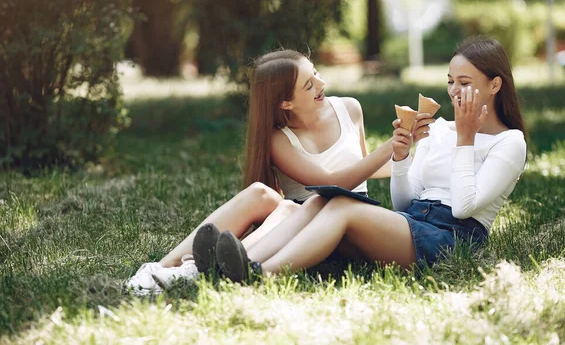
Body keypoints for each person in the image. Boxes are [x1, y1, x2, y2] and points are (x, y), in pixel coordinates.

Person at [211, 36, 528, 281]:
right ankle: (240, 261)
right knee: (320, 202)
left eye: (465, 84)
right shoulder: (440, 130)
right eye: (450, 82)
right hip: (413, 223)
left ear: (495, 84)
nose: (454, 92)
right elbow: (404, 205)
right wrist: (402, 159)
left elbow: (462, 207)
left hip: (455, 240)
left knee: (342, 206)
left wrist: (466, 138)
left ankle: (258, 274)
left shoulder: (510, 143)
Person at [125, 50, 432, 294]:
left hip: (341, 224)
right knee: (262, 195)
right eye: (308, 84)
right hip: (296, 220)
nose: (321, 85)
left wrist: (409, 156)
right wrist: (389, 146)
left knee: (294, 207)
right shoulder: (278, 139)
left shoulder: (349, 108)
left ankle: (204, 268)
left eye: (316, 75)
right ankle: (160, 269)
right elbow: (331, 182)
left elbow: (362, 167)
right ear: (286, 102)